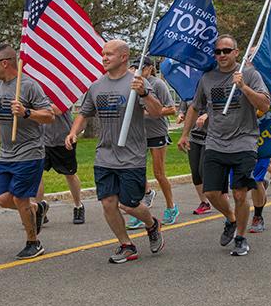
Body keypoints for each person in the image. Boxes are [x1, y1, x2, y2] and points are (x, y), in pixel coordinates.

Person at [66, 40, 165, 263]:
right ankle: (126, 245)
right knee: (108, 202)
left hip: (132, 156)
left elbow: (157, 111)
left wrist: (143, 94)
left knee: (129, 204)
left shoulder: (137, 83)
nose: (104, 58)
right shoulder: (97, 86)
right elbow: (84, 113)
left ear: (123, 57)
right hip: (105, 155)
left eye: (109, 54)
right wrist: (73, 132)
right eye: (103, 54)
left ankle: (152, 225)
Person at [177, 35, 271, 257]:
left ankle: (240, 237)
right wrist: (184, 134)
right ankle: (231, 218)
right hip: (215, 142)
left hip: (244, 141)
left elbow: (265, 105)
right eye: (218, 51)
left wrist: (244, 88)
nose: (221, 55)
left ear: (236, 52)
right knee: (210, 192)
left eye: (226, 51)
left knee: (239, 193)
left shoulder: (249, 74)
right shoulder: (207, 78)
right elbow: (194, 107)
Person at [0, 43, 55, 260]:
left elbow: (49, 115)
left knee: (20, 198)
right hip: (6, 153)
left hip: (29, 151)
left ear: (5, 63)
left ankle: (33, 242)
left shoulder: (29, 86)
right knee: (4, 199)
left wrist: (26, 112)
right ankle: (37, 208)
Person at [127, 58, 179, 227]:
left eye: (140, 67)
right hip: (138, 134)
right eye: (134, 67)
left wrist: (149, 113)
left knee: (158, 173)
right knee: (137, 172)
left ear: (149, 68)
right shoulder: (132, 84)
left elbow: (171, 109)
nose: (136, 70)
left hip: (156, 133)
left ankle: (171, 207)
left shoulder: (157, 85)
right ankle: (139, 210)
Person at [35, 104, 85, 224]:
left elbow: (57, 110)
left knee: (70, 174)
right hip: (43, 140)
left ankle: (78, 206)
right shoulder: (38, 91)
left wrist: (34, 109)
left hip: (64, 139)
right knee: (37, 174)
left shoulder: (63, 92)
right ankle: (39, 210)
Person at [177, 100, 214, 214]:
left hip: (210, 136)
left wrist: (206, 114)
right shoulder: (188, 93)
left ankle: (220, 195)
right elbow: (183, 109)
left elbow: (218, 108)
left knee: (203, 171)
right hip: (194, 137)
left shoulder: (210, 88)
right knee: (195, 172)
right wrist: (181, 115)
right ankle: (204, 203)